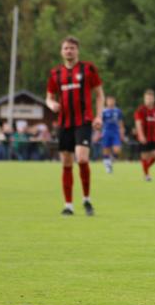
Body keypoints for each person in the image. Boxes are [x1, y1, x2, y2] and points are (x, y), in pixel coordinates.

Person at [45, 35, 104, 216]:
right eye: (66, 48)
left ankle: (86, 199)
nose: (69, 51)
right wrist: (51, 104)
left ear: (77, 51)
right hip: (64, 123)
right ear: (61, 52)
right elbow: (49, 97)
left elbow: (99, 95)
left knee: (82, 159)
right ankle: (68, 205)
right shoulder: (55, 73)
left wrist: (99, 116)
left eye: (72, 48)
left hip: (83, 121)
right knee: (66, 163)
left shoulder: (88, 69)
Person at [134, 89, 155, 181]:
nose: (149, 100)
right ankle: (147, 175)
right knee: (145, 156)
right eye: (147, 98)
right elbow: (138, 123)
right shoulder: (140, 110)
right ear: (144, 99)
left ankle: (145, 169)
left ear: (154, 99)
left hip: (153, 137)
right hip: (144, 136)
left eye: (151, 98)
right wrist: (141, 135)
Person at [100, 95, 126, 174]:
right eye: (109, 101)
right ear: (106, 102)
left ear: (114, 101)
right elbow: (100, 122)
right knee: (106, 150)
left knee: (117, 150)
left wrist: (122, 132)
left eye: (112, 100)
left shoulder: (118, 111)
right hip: (106, 132)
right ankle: (107, 166)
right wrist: (98, 133)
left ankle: (110, 162)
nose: (111, 102)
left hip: (115, 133)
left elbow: (121, 122)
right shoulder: (103, 111)